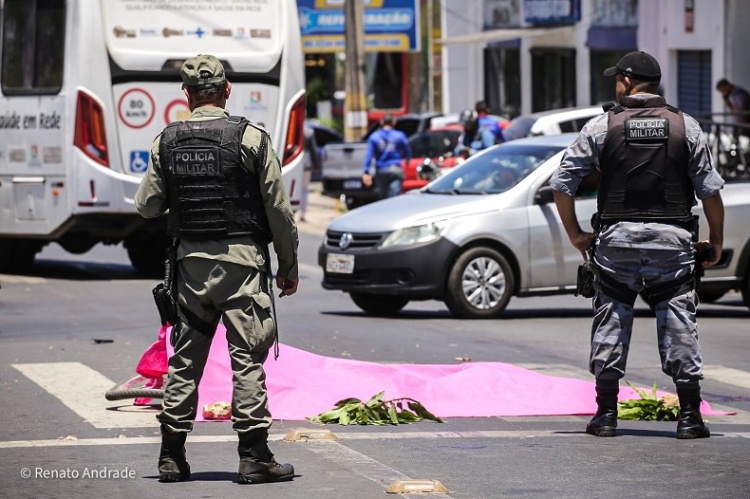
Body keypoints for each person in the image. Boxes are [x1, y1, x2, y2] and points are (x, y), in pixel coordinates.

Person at [134, 54, 299, 483]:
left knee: (185, 361)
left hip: (191, 269)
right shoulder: (251, 138)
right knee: (246, 359)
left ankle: (171, 457)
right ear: (227, 90)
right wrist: (289, 267)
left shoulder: (165, 141)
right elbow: (279, 211)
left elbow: (147, 206)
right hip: (243, 267)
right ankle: (254, 457)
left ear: (186, 96)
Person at [550, 51, 725, 439]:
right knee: (680, 327)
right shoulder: (686, 127)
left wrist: (576, 235)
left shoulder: (601, 126)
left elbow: (562, 184)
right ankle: (690, 418)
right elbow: (710, 191)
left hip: (617, 246)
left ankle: (607, 416)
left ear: (628, 83)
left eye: (617, 79)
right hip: (673, 246)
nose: (615, 85)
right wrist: (716, 240)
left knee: (610, 323)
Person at [362, 114, 412, 200]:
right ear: (393, 122)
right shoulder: (399, 135)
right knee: (395, 197)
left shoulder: (374, 137)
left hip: (382, 169)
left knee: (383, 197)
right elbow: (407, 150)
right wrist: (407, 160)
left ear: (381, 122)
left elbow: (369, 155)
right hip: (395, 168)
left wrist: (366, 172)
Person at [300, 124, 322, 222]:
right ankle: (302, 212)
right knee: (304, 189)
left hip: (292, 160)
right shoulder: (309, 132)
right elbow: (313, 150)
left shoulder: (291, 128)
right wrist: (317, 166)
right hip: (306, 163)